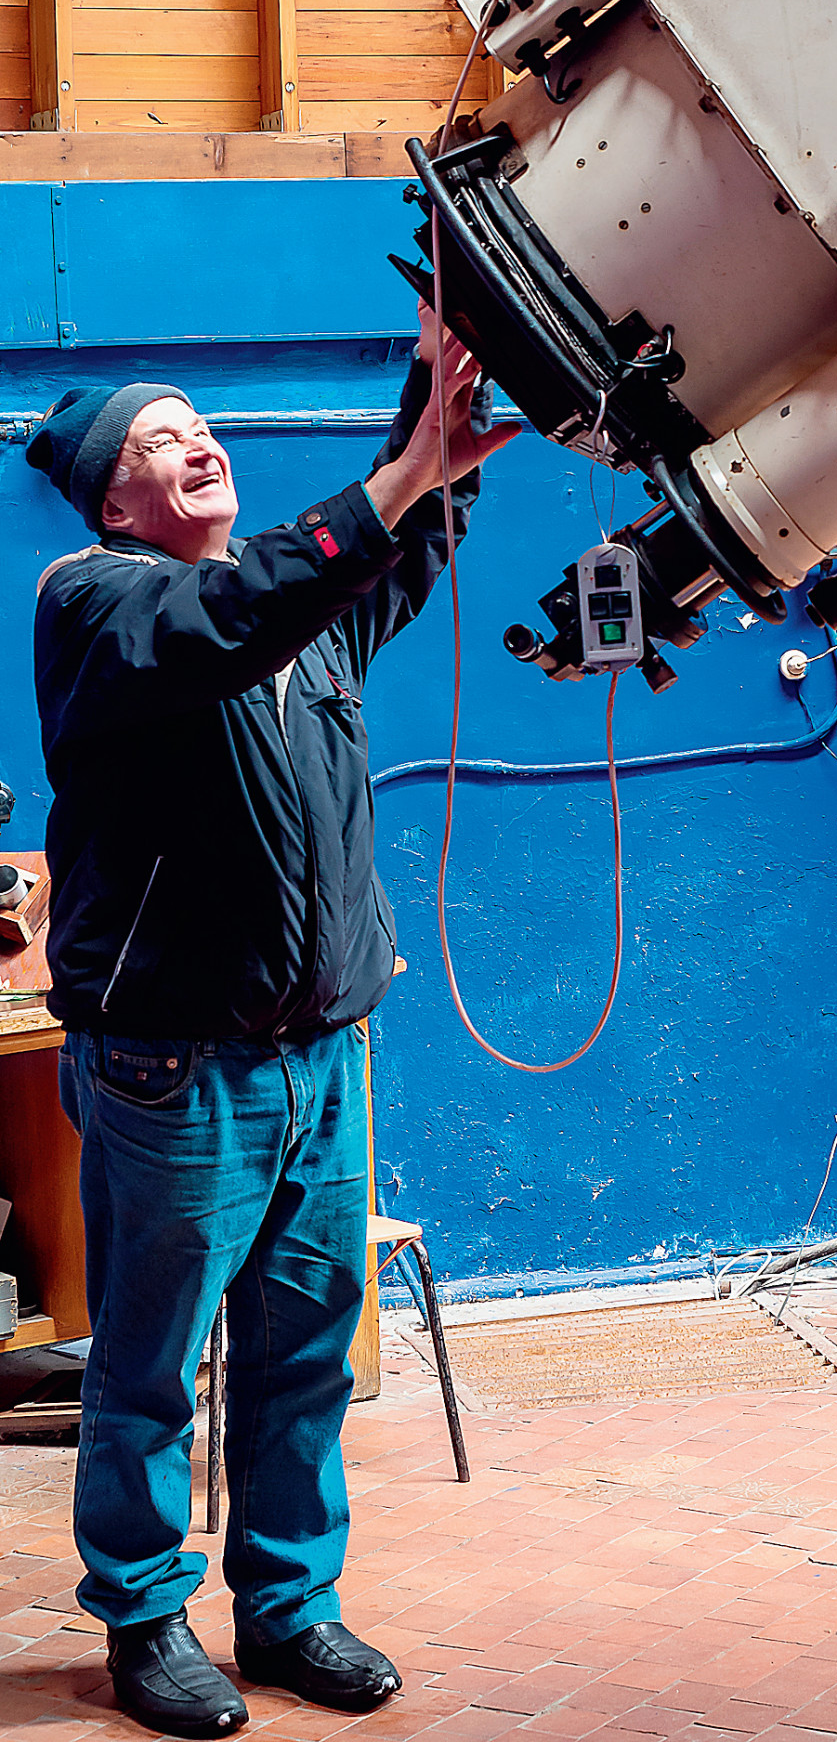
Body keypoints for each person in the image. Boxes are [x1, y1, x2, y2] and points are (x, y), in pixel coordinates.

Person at [25, 306, 516, 1740]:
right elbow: (233, 617)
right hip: (172, 1071)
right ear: (114, 501)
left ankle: (291, 1610)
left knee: (305, 1358)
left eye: (201, 428)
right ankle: (144, 1619)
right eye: (158, 442)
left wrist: (433, 395)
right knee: (148, 1368)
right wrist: (397, 476)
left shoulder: (299, 612)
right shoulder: (98, 605)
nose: (198, 446)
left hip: (321, 1060)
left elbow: (386, 553)